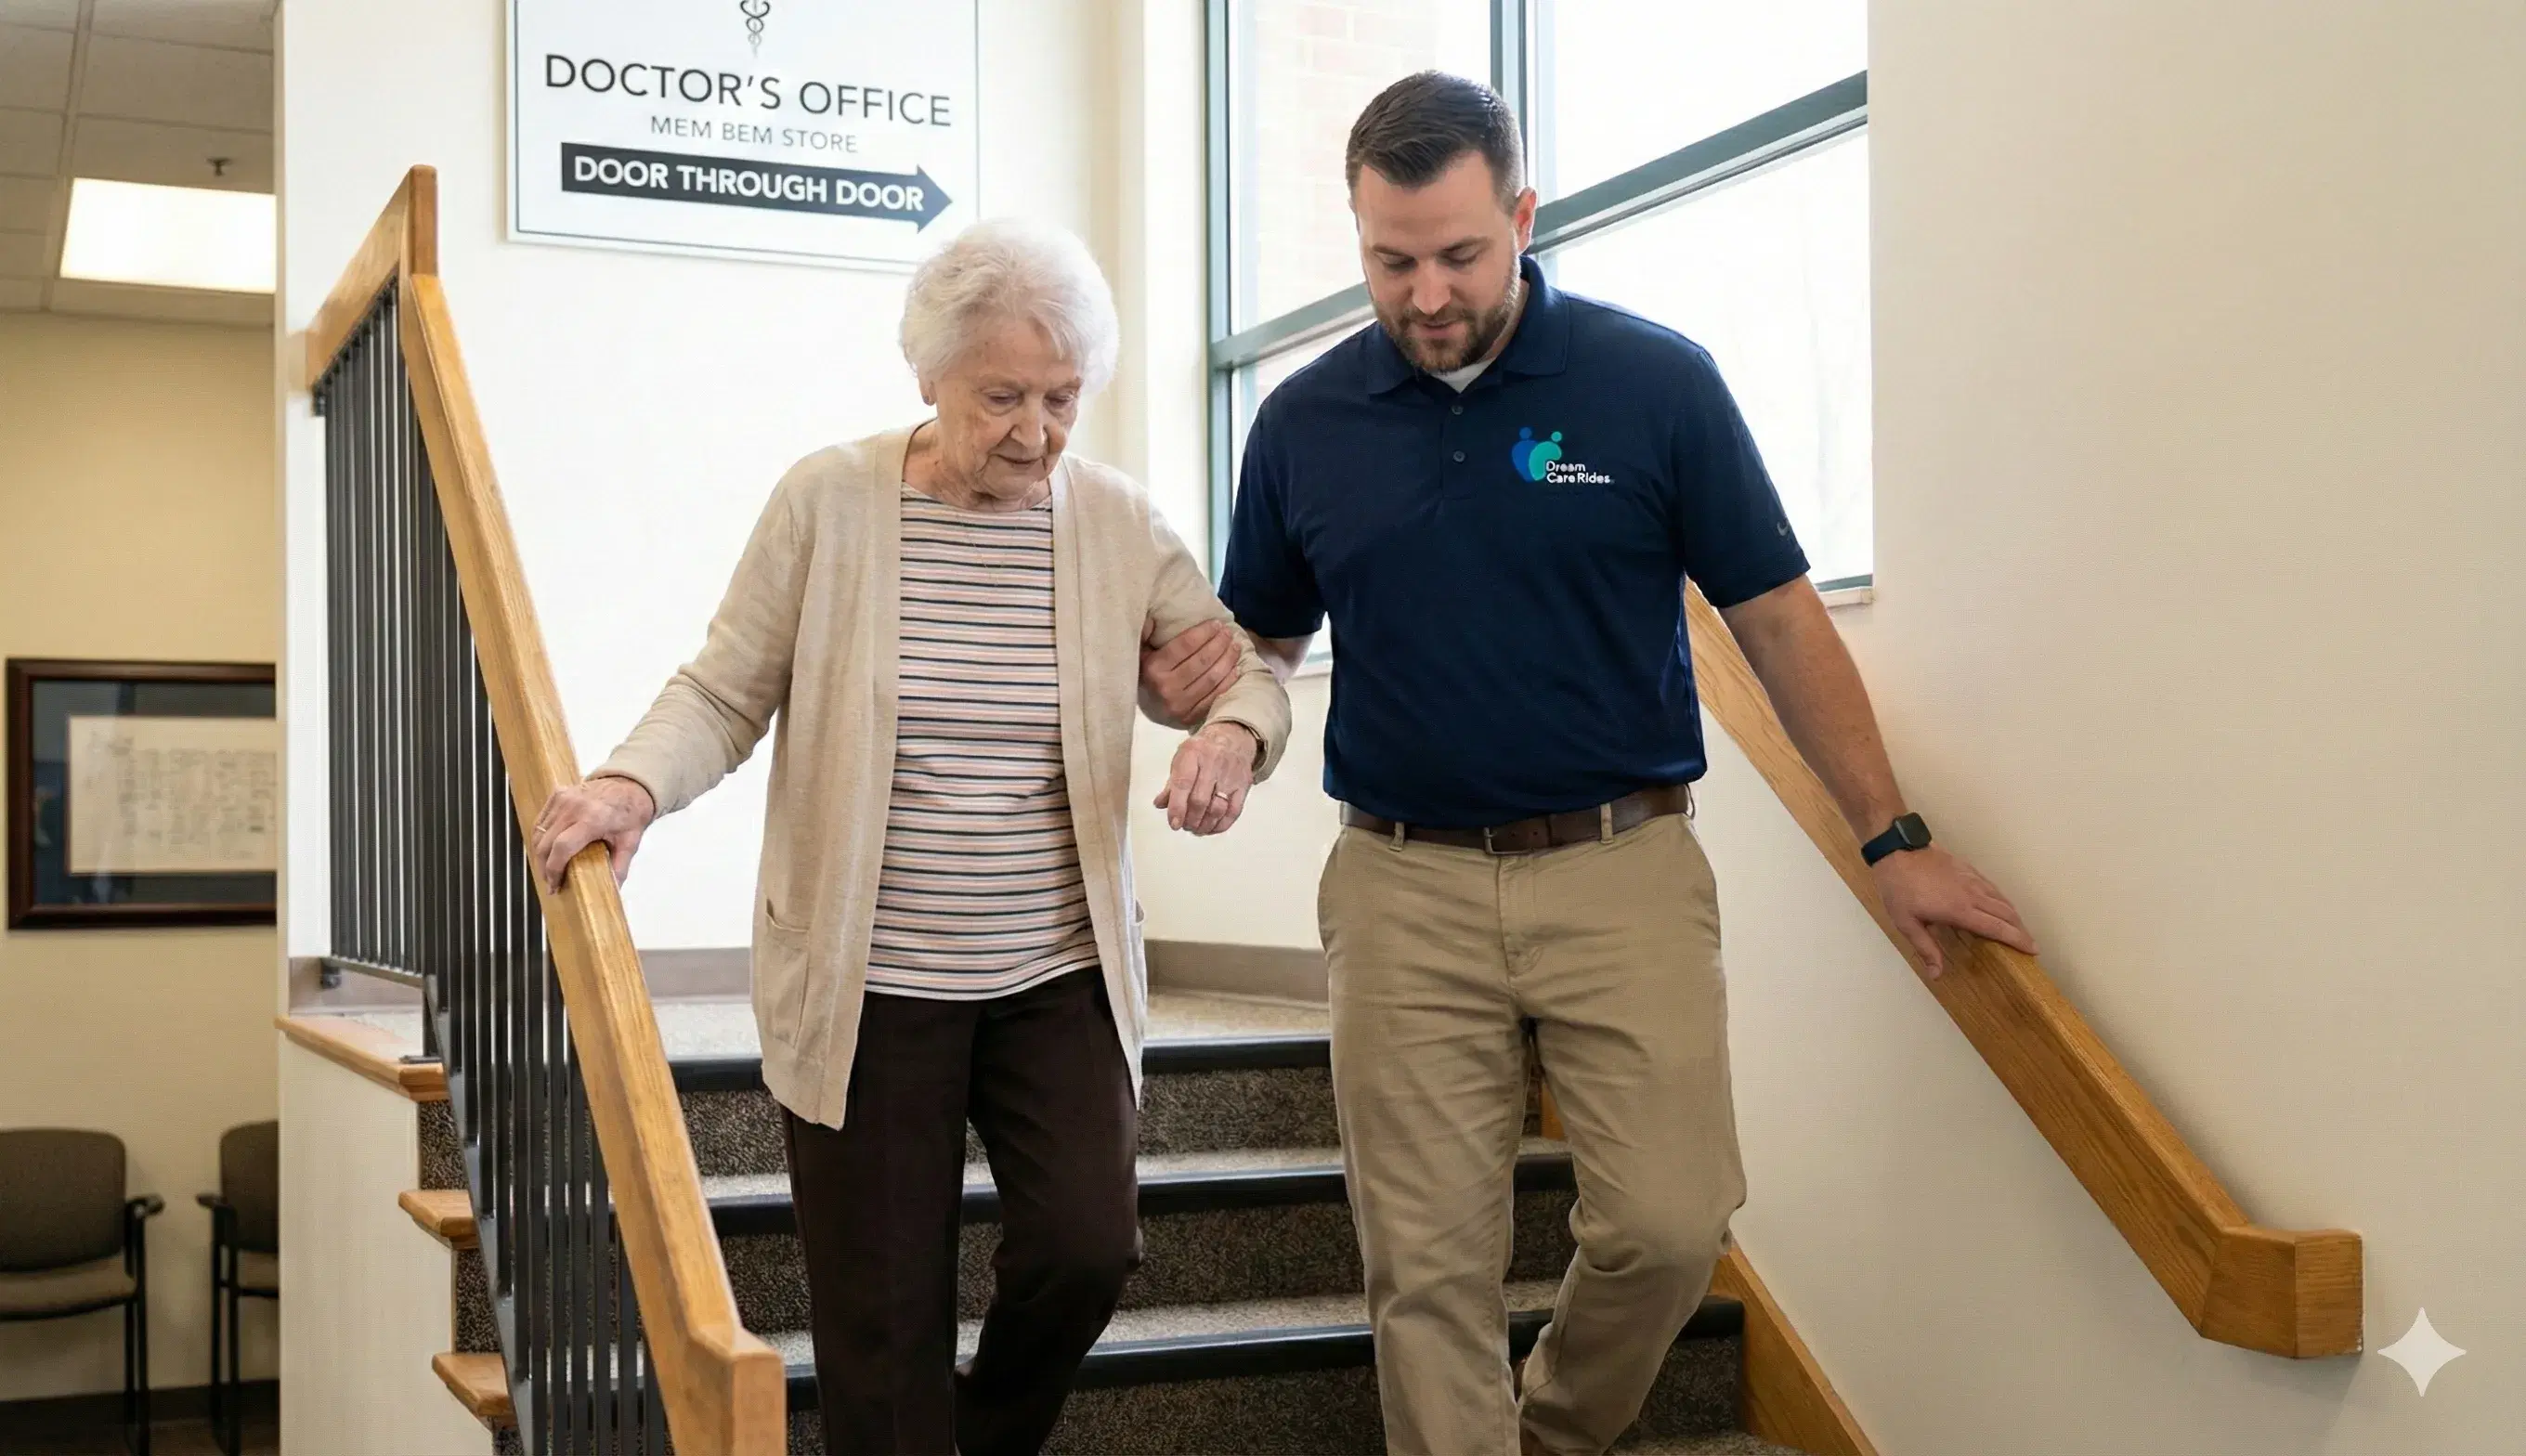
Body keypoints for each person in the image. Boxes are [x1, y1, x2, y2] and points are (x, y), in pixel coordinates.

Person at [1142, 73, 2036, 1456]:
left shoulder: (1653, 383)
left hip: (1623, 868)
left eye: (1458, 254)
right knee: (1425, 1272)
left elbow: (1781, 618)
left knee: (1674, 1224)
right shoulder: (1305, 422)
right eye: (1391, 261)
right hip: (1399, 884)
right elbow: (1260, 630)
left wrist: (1891, 838)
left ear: (1522, 215)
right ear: (1358, 237)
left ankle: (1548, 1435)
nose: (1426, 293)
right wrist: (1213, 716)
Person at [532, 217, 1292, 1456]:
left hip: (1056, 973)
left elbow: (1241, 676)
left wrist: (1230, 738)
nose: (1035, 432)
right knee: (881, 1323)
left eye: (1062, 396)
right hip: (870, 984)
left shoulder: (1114, 522)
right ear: (926, 374)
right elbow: (725, 692)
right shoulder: (829, 502)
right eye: (1002, 395)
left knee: (1087, 1251)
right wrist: (630, 787)